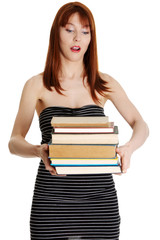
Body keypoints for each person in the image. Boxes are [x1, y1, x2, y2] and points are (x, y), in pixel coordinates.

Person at [8, 1, 149, 240]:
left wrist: (128, 148)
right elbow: (14, 142)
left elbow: (140, 124)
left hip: (100, 200)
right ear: (56, 33)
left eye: (85, 31)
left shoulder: (104, 83)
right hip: (51, 200)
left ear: (91, 38)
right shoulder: (36, 85)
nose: (77, 38)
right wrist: (38, 150)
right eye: (69, 29)